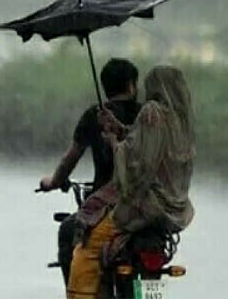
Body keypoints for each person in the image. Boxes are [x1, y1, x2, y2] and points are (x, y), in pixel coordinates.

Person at [67, 66, 196, 298]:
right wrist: (119, 127)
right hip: (173, 211)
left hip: (144, 208)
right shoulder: (181, 122)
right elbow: (145, 143)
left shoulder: (152, 112)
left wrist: (114, 143)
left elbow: (139, 164)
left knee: (87, 249)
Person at [39, 58, 142, 284]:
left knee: (68, 232)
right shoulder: (147, 116)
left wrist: (53, 182)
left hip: (107, 207)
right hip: (147, 206)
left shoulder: (95, 116)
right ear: (131, 86)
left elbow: (71, 158)